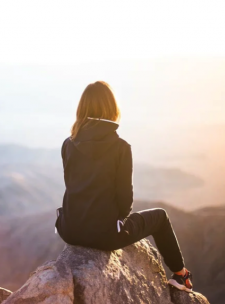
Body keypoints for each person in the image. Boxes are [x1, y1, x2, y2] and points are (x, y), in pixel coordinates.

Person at [54, 80, 193, 292]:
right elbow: (125, 201)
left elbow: (72, 185)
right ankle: (180, 275)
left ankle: (180, 274)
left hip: (69, 229)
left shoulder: (68, 143)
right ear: (112, 108)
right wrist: (115, 223)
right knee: (161, 217)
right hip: (105, 236)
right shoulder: (120, 148)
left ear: (82, 109)